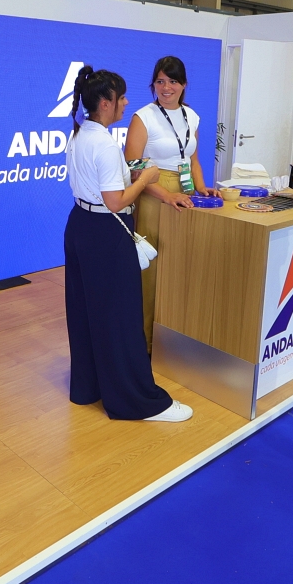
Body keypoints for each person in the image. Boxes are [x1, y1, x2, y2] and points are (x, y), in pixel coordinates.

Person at [64, 65, 193, 423]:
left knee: (88, 312)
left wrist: (132, 177)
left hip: (80, 225)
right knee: (121, 317)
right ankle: (137, 401)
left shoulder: (79, 134)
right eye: (121, 98)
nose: (126, 103)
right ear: (106, 103)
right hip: (106, 232)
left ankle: (90, 387)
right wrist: (147, 178)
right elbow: (115, 201)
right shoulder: (105, 144)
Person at [123, 56, 216, 351]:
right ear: (153, 84)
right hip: (153, 192)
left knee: (180, 266)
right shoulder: (144, 117)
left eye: (173, 81)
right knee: (151, 270)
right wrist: (166, 195)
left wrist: (201, 188)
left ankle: (172, 339)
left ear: (184, 84)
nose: (166, 87)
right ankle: (145, 342)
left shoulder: (192, 116)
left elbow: (193, 160)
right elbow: (133, 167)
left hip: (184, 193)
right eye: (160, 81)